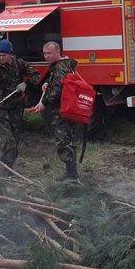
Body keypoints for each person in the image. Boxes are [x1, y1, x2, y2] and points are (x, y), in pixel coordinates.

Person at [0, 39, 40, 167]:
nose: (1, 58)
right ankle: (7, 166)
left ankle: (8, 161)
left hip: (16, 106)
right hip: (1, 106)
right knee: (7, 138)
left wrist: (25, 83)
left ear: (10, 54)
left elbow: (36, 76)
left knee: (16, 137)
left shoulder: (20, 64)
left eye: (4, 55)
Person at [32, 41, 81, 182]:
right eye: (45, 53)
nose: (46, 56)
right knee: (67, 140)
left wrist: (44, 103)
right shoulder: (63, 66)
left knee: (63, 141)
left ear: (57, 52)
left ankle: (72, 175)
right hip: (66, 109)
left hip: (62, 111)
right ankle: (71, 173)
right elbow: (59, 84)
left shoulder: (60, 67)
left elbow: (58, 90)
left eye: (49, 53)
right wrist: (49, 83)